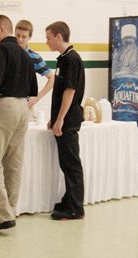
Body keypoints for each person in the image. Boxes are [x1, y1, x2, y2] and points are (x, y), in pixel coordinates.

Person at [0, 15, 38, 233]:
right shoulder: (24, 53)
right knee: (13, 165)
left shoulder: (0, 50)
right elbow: (33, 89)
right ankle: (9, 211)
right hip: (23, 108)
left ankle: (3, 215)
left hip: (4, 105)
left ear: (2, 30)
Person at [45, 21, 85, 220]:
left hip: (69, 121)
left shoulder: (72, 59)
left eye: (48, 37)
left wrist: (60, 119)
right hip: (61, 120)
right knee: (65, 163)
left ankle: (76, 208)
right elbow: (59, 92)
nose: (46, 42)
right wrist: (53, 119)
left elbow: (70, 92)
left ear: (58, 36)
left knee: (71, 164)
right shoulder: (62, 59)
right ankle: (69, 199)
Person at [15, 20, 54, 107]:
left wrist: (37, 97)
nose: (20, 39)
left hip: (25, 105)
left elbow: (52, 78)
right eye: (17, 36)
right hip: (7, 104)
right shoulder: (7, 53)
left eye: (24, 36)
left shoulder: (34, 57)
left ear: (30, 37)